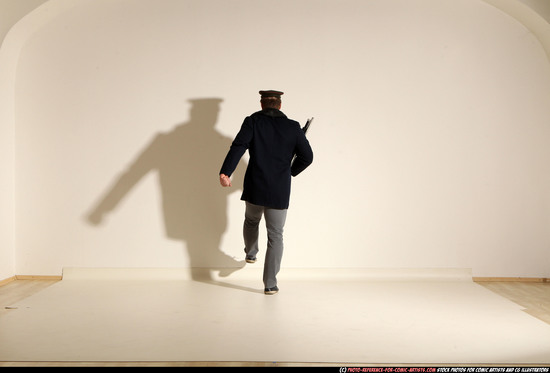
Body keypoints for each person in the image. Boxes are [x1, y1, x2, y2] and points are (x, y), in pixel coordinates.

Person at [219, 90, 313, 295]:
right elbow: (307, 157)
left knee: (251, 220)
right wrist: (289, 172)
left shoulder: (252, 121)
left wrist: (226, 172)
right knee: (276, 235)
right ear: (280, 105)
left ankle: (251, 253)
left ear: (262, 104)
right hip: (279, 188)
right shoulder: (293, 127)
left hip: (255, 183)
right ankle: (270, 283)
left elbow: (239, 146)